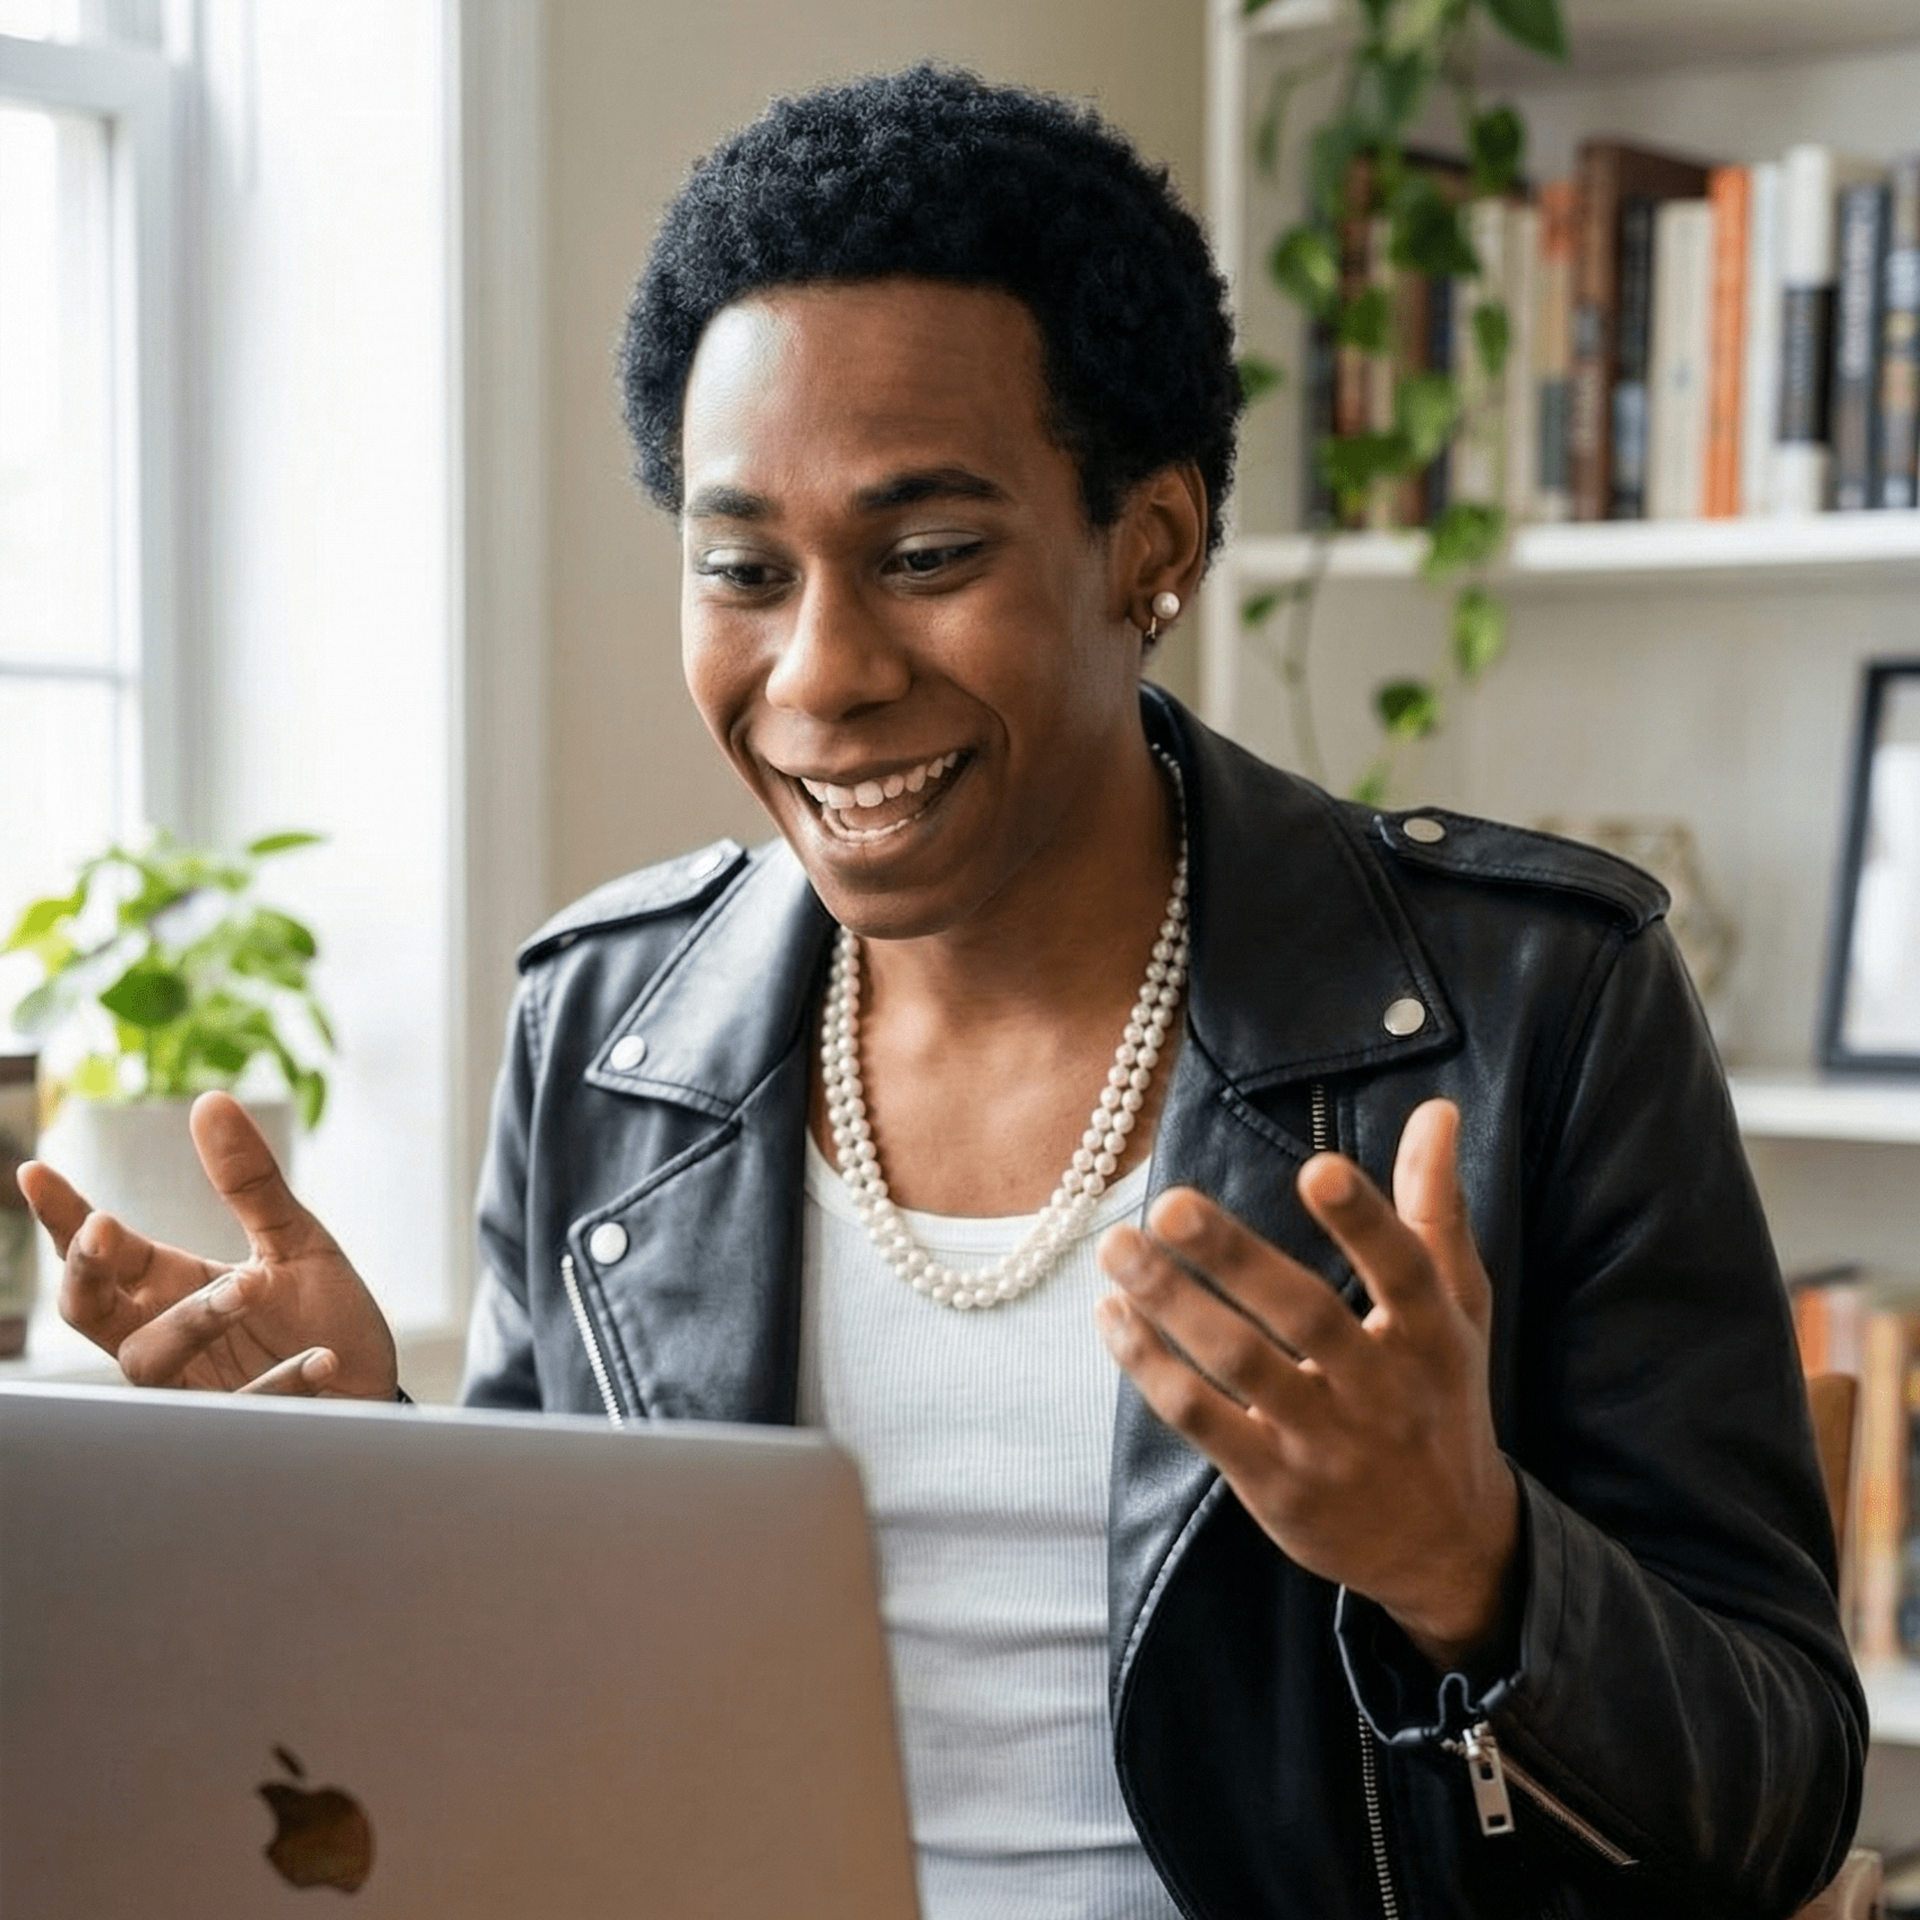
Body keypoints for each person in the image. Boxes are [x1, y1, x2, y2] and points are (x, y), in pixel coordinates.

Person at [20, 65, 1864, 1920]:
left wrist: (1472, 1562)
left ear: (1150, 547)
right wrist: (370, 1495)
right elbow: (550, 1735)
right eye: (742, 567)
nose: (820, 673)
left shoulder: (1536, 1000)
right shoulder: (605, 1029)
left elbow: (1775, 1796)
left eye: (925, 558)